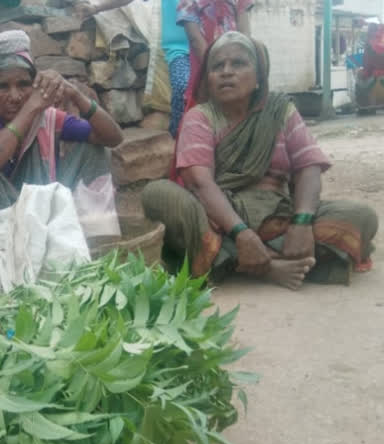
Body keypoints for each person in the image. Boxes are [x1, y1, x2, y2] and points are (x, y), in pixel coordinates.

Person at [141, 33, 378, 289]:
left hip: (280, 216)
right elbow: (199, 183)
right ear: (208, 80)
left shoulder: (280, 110)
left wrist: (302, 222)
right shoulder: (200, 118)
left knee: (362, 216)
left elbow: (308, 166)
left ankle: (236, 260)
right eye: (217, 66)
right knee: (157, 194)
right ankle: (265, 264)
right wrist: (241, 232)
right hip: (221, 219)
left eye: (238, 63)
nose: (226, 72)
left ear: (258, 77)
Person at [0, 30, 123, 237]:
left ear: (34, 85)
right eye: (2, 87)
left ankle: (96, 237)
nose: (15, 96)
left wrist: (75, 94)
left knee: (95, 150)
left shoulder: (46, 118)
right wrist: (30, 109)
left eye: (23, 85)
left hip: (43, 212)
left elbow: (113, 138)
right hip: (2, 221)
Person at [76, 0, 191, 138]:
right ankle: (179, 140)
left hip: (214, 48)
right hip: (180, 50)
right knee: (182, 87)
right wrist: (97, 8)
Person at [177, 0, 254, 108]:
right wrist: (216, 67)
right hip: (205, 65)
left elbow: (245, 35)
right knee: (205, 108)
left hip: (236, 62)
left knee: (238, 103)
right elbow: (195, 40)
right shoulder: (189, 0)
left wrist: (238, 62)